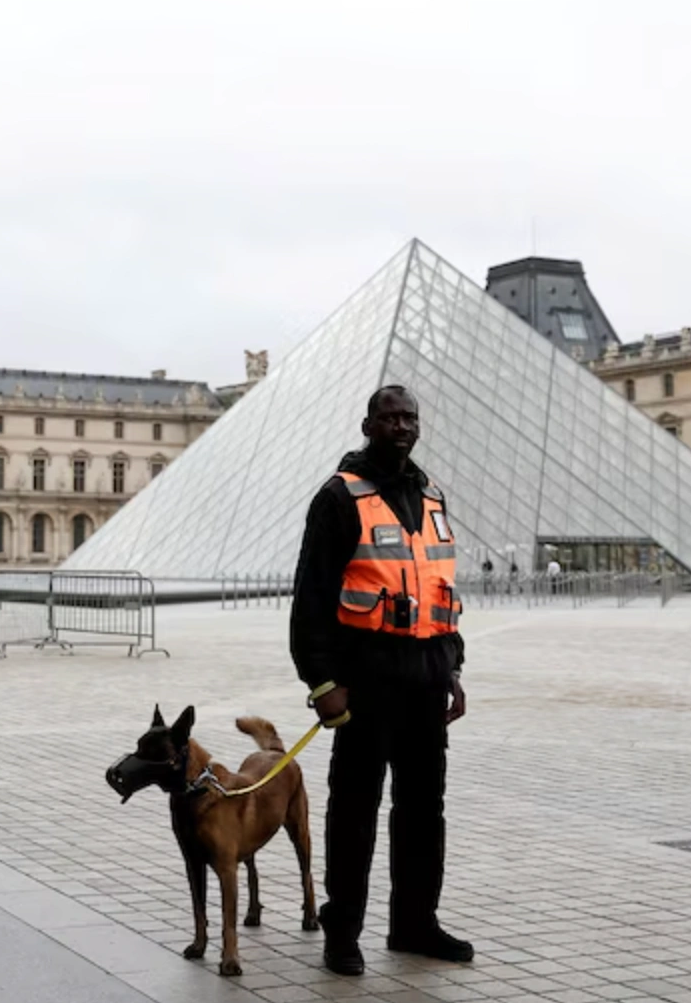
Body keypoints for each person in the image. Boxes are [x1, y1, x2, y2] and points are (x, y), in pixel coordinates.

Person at [290, 385, 472, 973]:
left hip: (425, 680)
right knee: (355, 811)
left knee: (424, 811)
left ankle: (415, 923)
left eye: (409, 417)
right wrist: (322, 683)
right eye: (389, 417)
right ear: (368, 425)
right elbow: (311, 600)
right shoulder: (339, 497)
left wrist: (453, 668)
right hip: (365, 683)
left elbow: (440, 589)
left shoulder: (432, 494)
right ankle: (342, 931)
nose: (401, 426)